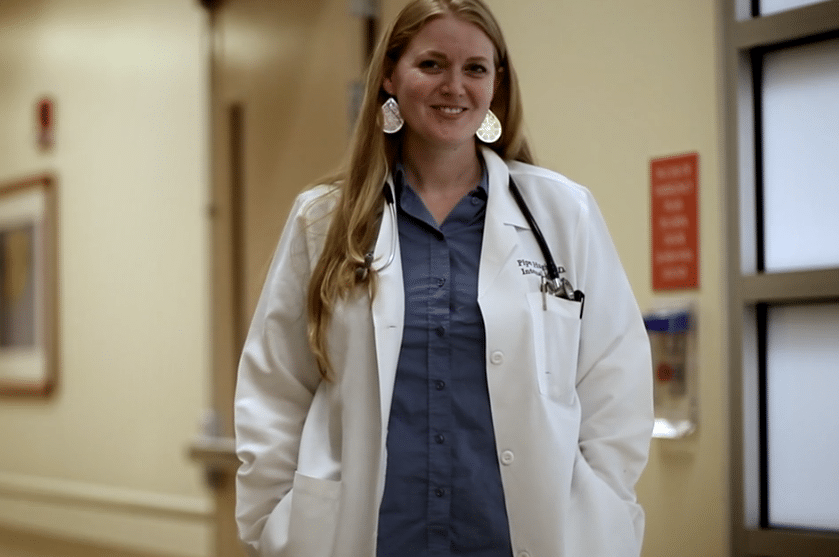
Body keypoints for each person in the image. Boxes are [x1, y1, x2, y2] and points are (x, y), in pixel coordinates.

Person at [234, 0, 654, 555]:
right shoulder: (323, 220)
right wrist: (274, 525)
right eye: (431, 64)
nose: (454, 86)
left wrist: (601, 510)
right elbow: (275, 388)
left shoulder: (563, 214)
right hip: (368, 536)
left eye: (475, 68)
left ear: (496, 83)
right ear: (389, 74)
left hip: (519, 537)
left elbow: (614, 386)